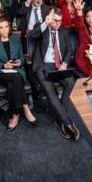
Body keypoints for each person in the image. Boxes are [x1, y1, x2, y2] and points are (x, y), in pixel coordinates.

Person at [28, 8, 80, 141]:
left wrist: (65, 63)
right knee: (50, 91)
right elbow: (33, 35)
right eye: (55, 21)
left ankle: (59, 119)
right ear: (50, 19)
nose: (58, 23)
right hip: (43, 66)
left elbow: (69, 49)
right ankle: (67, 122)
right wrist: (45, 23)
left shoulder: (63, 31)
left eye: (60, 21)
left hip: (59, 65)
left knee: (70, 83)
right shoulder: (42, 28)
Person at [0, 18, 37, 131]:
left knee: (13, 84)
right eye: (1, 27)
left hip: (17, 70)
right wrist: (4, 65)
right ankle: (25, 107)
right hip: (0, 73)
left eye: (6, 26)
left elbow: (21, 56)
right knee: (16, 78)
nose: (4, 30)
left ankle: (15, 115)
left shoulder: (15, 38)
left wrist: (20, 61)